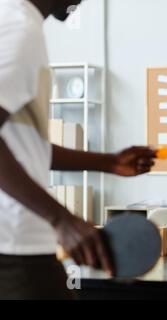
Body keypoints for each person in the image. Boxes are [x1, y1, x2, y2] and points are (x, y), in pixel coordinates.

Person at [0, 0, 156, 299]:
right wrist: (63, 220)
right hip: (13, 247)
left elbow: (26, 145)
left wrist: (108, 162)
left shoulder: (19, 25)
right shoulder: (18, 30)